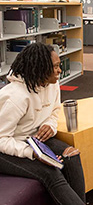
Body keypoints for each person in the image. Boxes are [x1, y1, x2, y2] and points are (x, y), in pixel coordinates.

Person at [0, 43, 85, 204]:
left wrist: (50, 125)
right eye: (55, 67)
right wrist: (32, 154)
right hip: (5, 149)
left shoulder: (52, 85)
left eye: (59, 65)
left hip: (33, 140)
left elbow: (55, 110)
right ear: (40, 68)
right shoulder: (15, 97)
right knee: (50, 173)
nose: (59, 71)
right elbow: (2, 139)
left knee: (71, 155)